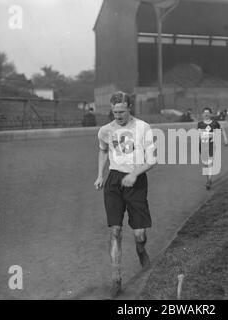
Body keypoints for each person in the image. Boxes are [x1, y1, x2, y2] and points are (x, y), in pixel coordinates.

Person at [94, 91, 156, 299]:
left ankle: (140, 249)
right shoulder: (105, 130)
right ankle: (116, 278)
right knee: (115, 231)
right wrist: (100, 175)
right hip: (114, 182)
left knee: (139, 234)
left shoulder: (143, 127)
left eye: (122, 111)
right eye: (114, 112)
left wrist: (134, 174)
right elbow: (103, 151)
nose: (118, 116)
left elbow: (152, 160)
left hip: (136, 181)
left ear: (130, 107)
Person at [197, 107, 228, 190]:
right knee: (205, 164)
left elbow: (222, 130)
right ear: (203, 114)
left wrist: (225, 139)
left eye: (208, 113)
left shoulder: (215, 123)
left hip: (212, 145)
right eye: (205, 113)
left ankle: (209, 180)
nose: (206, 114)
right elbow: (200, 134)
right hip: (203, 145)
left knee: (210, 162)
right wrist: (212, 134)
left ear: (210, 114)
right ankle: (208, 179)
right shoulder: (200, 124)